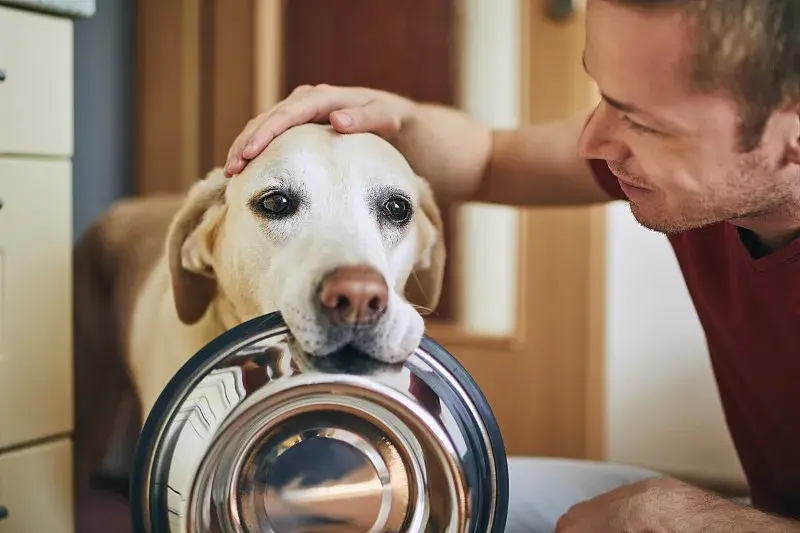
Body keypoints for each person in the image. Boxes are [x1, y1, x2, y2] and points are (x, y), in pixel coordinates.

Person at [223, 0, 800, 531]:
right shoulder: (695, 173)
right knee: (421, 495)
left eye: (642, 122)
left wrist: (689, 520)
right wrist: (386, 117)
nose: (591, 140)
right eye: (601, 95)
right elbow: (490, 158)